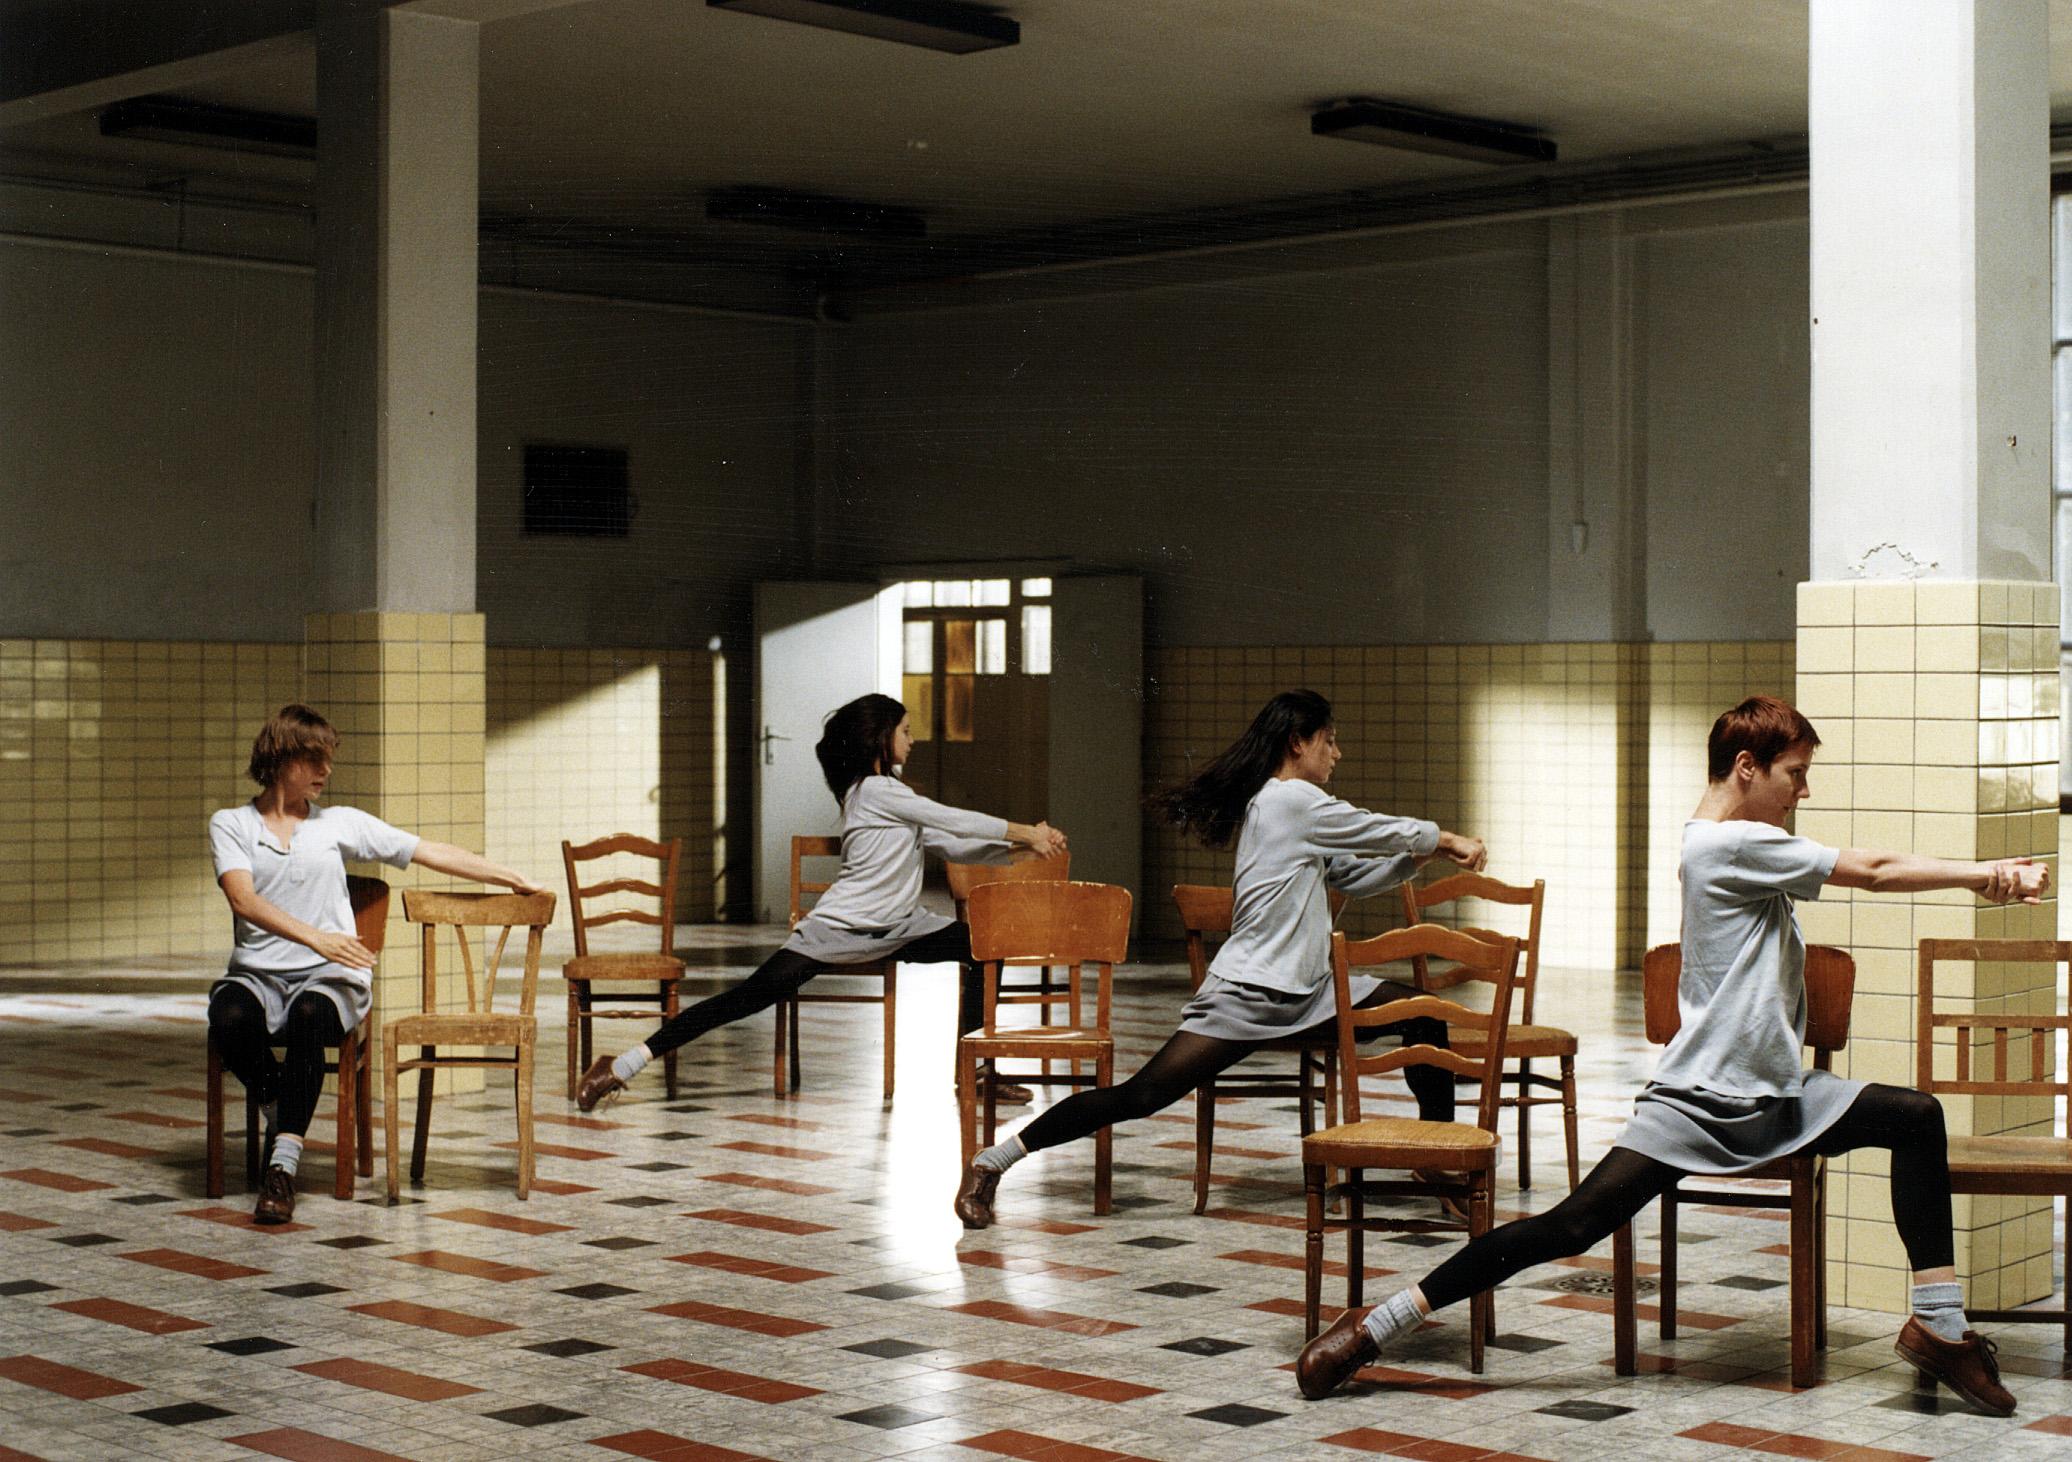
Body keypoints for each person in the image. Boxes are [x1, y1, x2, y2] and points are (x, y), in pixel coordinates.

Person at [1296, 695, 2047, 1417]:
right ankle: (1375, 1327)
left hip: (1777, 1097)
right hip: (1701, 1103)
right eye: (1796, 774)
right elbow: (1876, 870)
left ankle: (1941, 1328)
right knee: (1564, 1229)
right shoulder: (1728, 844)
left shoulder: (1730, 843)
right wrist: (1989, 876)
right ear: (1747, 767)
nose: (1803, 791)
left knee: (1915, 1117)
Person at [954, 688, 1490, 1230]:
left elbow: (1355, 874)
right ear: (1298, 743)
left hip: (1313, 991)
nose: (1337, 753)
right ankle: (991, 1161)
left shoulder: (1299, 808)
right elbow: (1372, 828)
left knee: (1423, 1012)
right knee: (1141, 1096)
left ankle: (1435, 1159)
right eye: (1330, 741)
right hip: (1250, 996)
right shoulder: (1287, 800)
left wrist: (1423, 855)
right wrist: (1443, 839)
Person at [577, 692, 1067, 1110]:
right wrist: (1028, 830)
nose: (913, 739)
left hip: (899, 928)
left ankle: (977, 1073)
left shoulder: (890, 796)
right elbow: (952, 818)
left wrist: (1024, 849)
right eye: (906, 731)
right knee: (745, 999)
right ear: (881, 739)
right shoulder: (874, 791)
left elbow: (953, 844)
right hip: (840, 930)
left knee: (985, 944)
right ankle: (621, 1064)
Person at [208, 704, 546, 1225]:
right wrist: (319, 937)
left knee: (309, 1020)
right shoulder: (231, 824)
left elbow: (425, 849)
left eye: (328, 760)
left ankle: (282, 1168)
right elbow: (244, 902)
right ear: (279, 758)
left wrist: (508, 876)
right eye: (314, 760)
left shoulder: (339, 823)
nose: (325, 772)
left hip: (330, 976)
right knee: (228, 1018)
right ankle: (280, 1105)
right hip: (259, 974)